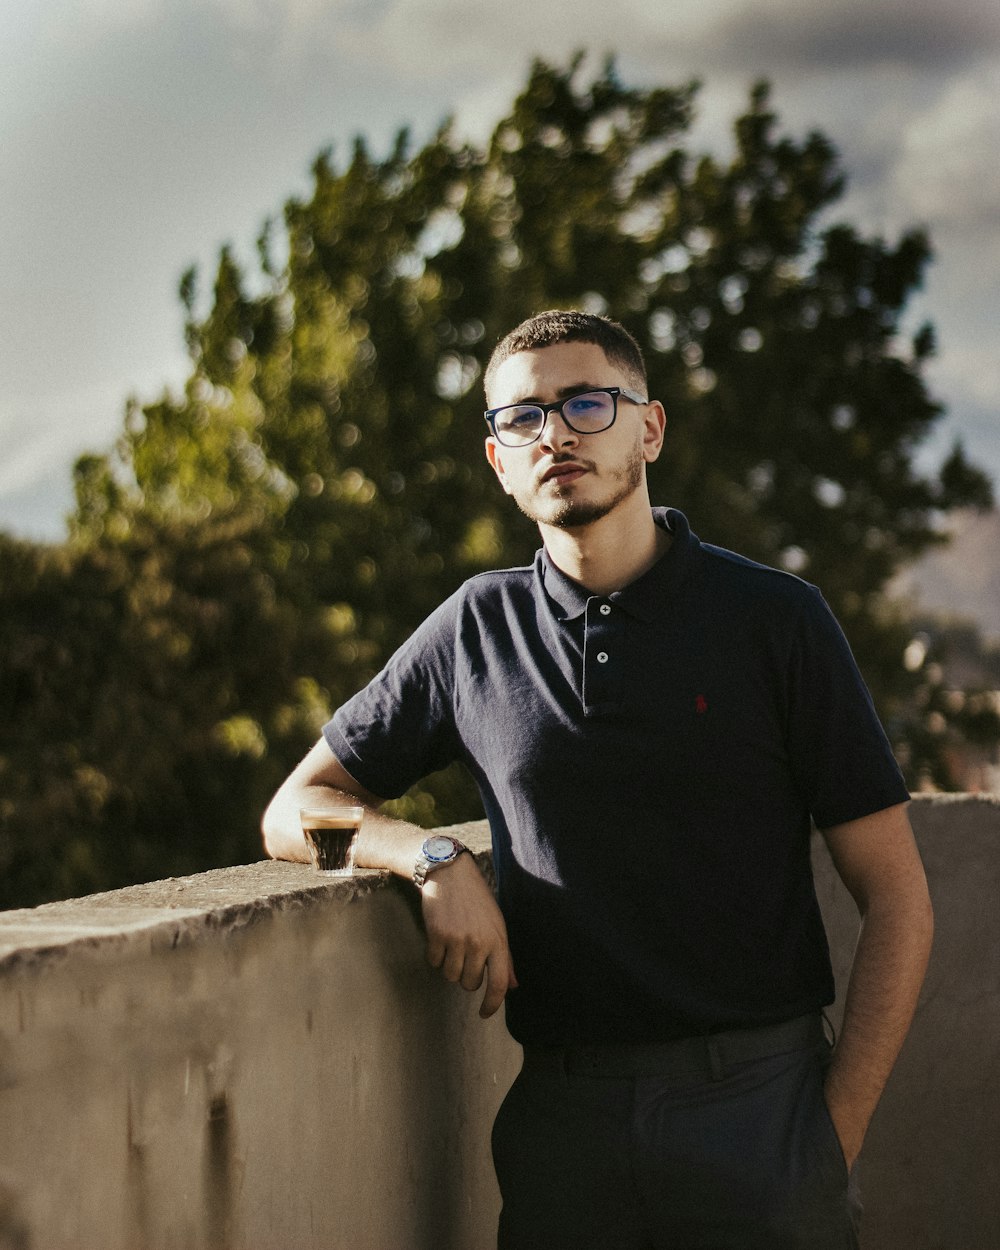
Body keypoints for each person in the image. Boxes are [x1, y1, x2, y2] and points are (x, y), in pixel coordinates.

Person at [262, 310, 934, 1249]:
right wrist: (430, 855)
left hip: (760, 1108)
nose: (558, 435)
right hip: (561, 1126)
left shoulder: (774, 620)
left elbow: (898, 896)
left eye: (587, 403)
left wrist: (831, 1136)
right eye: (523, 419)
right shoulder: (472, 631)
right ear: (499, 460)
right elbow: (297, 807)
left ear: (648, 428)